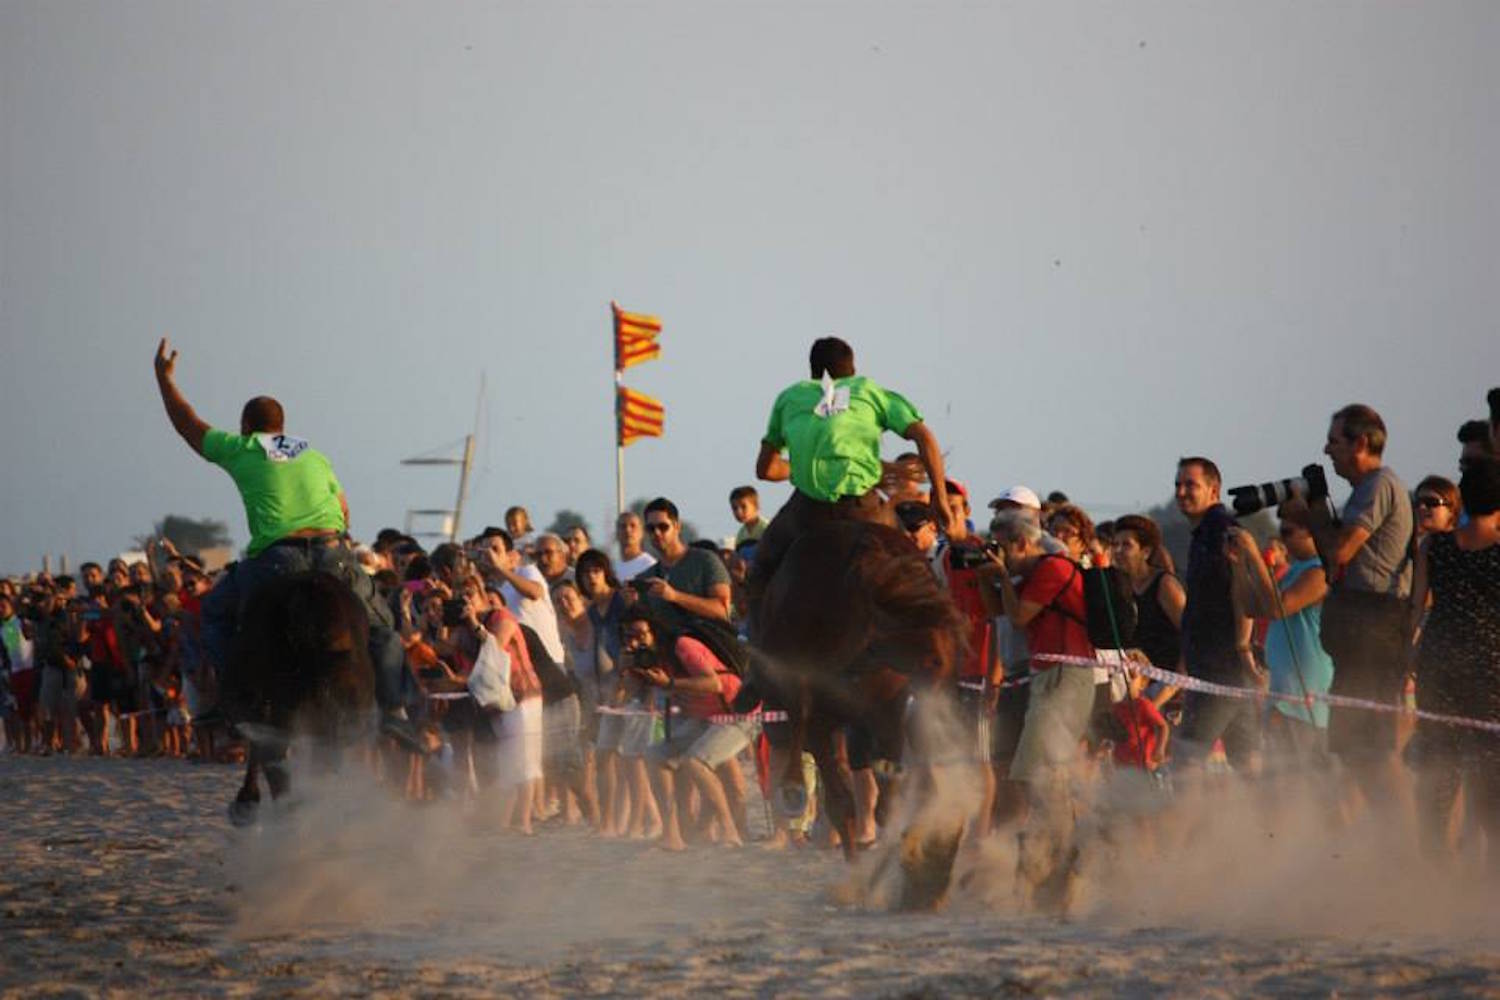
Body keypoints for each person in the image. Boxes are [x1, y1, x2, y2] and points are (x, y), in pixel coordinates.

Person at [150, 340, 414, 745]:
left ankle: (231, 702)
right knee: (384, 628)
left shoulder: (242, 448)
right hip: (332, 553)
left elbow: (189, 423)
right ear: (282, 428)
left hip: (277, 560)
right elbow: (343, 512)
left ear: (245, 427)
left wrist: (164, 381)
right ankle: (395, 709)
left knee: (216, 615)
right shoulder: (313, 455)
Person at [747, 336, 958, 624]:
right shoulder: (870, 392)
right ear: (853, 369)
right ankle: (937, 636)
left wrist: (803, 465)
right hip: (863, 509)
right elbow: (924, 436)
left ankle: (758, 647)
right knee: (914, 571)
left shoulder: (790, 397)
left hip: (808, 513)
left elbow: (766, 470)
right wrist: (941, 498)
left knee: (761, 568)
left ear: (812, 371)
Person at [1308, 404, 1414, 814]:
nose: (1327, 449)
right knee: (1354, 749)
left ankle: (1405, 840)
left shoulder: (1378, 485)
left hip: (1376, 627)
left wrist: (1312, 513)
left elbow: (1338, 554)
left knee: (1372, 749)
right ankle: (1385, 838)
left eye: (1335, 441)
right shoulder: (1365, 489)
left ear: (1362, 443)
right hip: (1361, 631)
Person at [1409, 458, 1500, 868]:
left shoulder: (1436, 546)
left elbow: (1416, 609)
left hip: (1438, 659)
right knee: (1488, 773)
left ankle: (1435, 866)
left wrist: (1407, 659)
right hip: (1489, 667)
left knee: (1438, 768)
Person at [622, 604, 754, 851]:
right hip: (704, 718)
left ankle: (729, 833)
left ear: (655, 631)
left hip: (737, 712)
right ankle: (672, 836)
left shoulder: (682, 646)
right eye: (629, 636)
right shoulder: (651, 657)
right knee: (654, 755)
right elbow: (628, 692)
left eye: (641, 634)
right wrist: (629, 668)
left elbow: (713, 684)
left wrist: (670, 682)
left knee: (696, 762)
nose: (636, 641)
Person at [1170, 457, 1261, 776]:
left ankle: (1181, 826)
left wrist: (1243, 647)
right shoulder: (1202, 534)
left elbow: (1243, 594)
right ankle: (1272, 823)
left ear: (1214, 490)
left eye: (1190, 485)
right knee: (1247, 764)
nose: (1181, 492)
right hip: (1217, 668)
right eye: (1178, 485)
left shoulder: (1221, 531)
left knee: (1186, 761)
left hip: (1219, 670)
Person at [1229, 502, 1335, 765]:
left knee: (1302, 776)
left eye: (1288, 533)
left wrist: (1254, 554)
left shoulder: (1320, 570)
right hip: (1281, 686)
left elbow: (1278, 608)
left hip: (1305, 690)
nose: (1283, 540)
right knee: (1278, 775)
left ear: (1312, 532)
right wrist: (1239, 564)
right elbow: (1253, 607)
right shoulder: (1297, 569)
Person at [636, 498, 732, 630]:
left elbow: (723, 611)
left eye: (663, 527)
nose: (657, 533)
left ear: (677, 526)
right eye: (651, 528)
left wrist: (675, 596)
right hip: (667, 647)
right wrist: (631, 604)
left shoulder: (705, 560)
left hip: (706, 645)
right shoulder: (647, 576)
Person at [612, 511, 657, 582]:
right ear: (617, 533)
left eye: (633, 526)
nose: (628, 530)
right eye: (623, 526)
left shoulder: (649, 565)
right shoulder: (612, 567)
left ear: (642, 532)